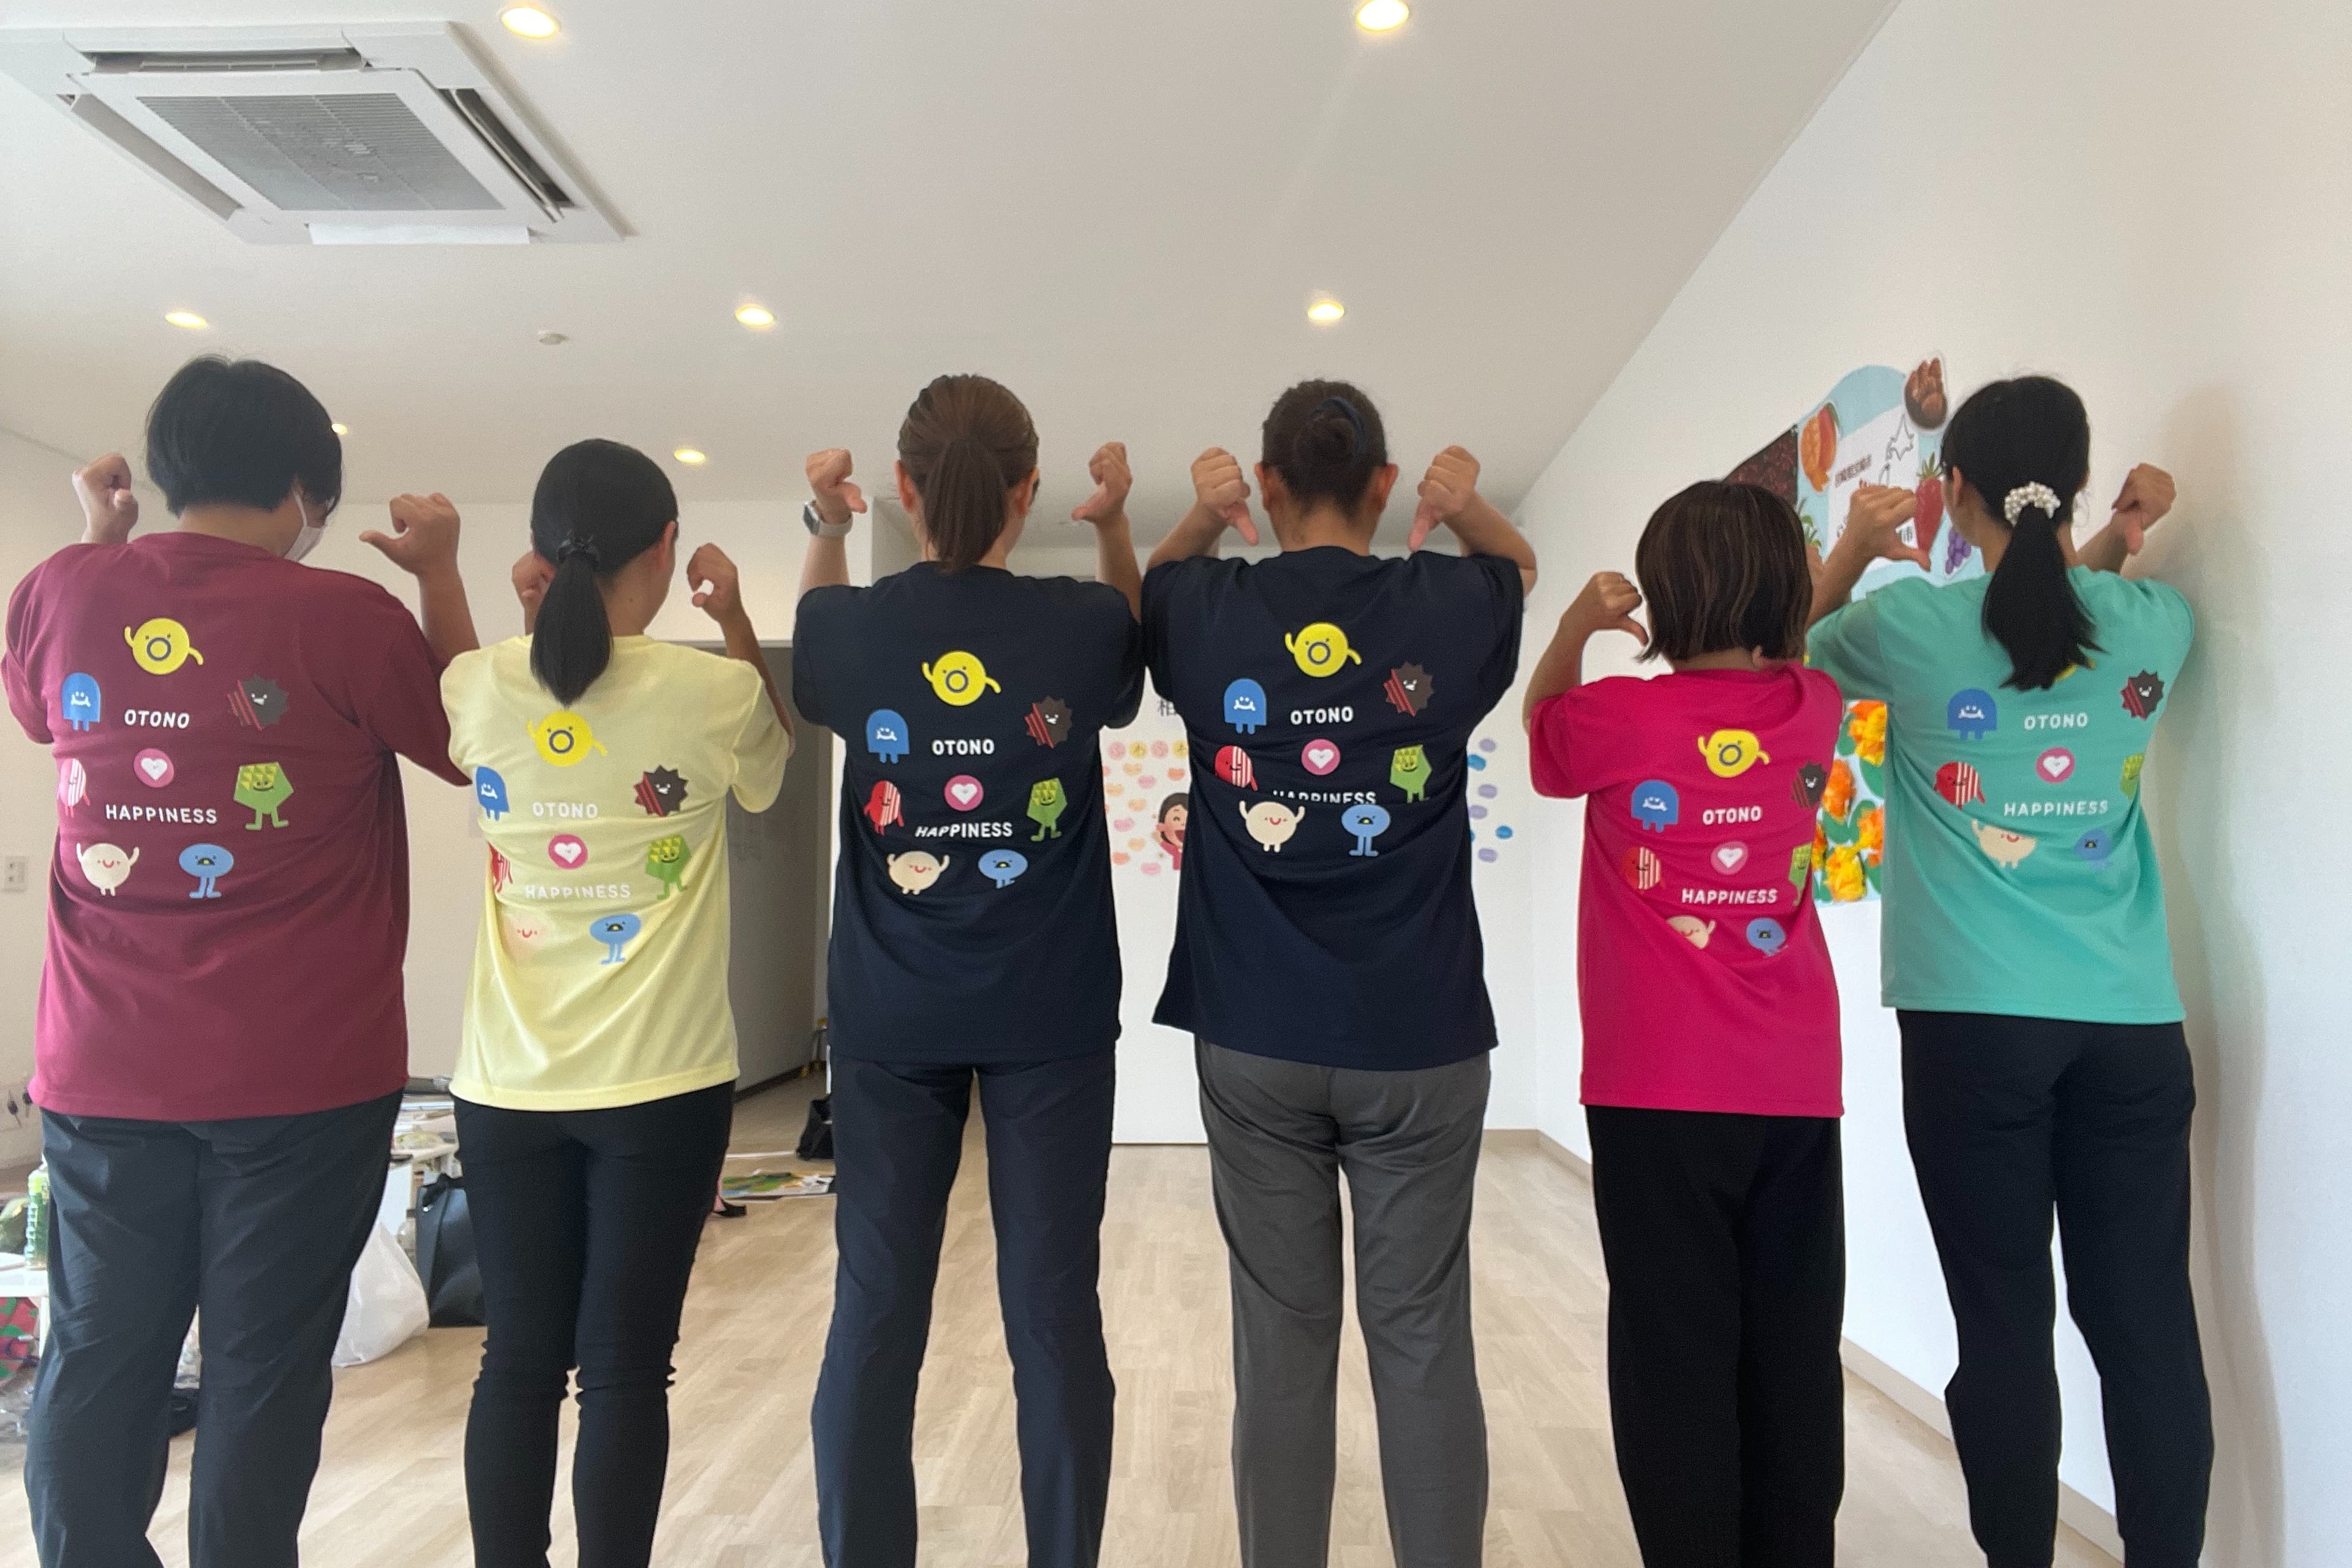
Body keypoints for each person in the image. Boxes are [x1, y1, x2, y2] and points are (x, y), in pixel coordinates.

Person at [2, 354, 477, 1567]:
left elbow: (45, 711)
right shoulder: (345, 616)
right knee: (265, 1365)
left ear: (168, 473)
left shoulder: (59, 588)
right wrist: (437, 574)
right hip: (303, 1075)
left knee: (100, 1348)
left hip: (104, 1068)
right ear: (308, 491)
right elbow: (473, 746)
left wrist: (100, 543)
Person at [1806, 375, 2208, 1568]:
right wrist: (2117, 542)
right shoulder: (2156, 623)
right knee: (2146, 1325)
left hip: (1972, 1028)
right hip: (2132, 1024)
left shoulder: (1908, 630)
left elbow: (1791, 661)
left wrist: (1848, 550)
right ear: (2075, 485)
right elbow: (2056, 625)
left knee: (2003, 1324)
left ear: (1952, 490)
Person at [1142, 381, 1535, 1568]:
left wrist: (1201, 517)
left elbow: (1154, 586)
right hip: (1422, 1038)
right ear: (1384, 484)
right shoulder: (1449, 600)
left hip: (1255, 1034)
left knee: (1281, 1343)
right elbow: (1516, 569)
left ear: (1266, 484)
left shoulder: (1208, 607)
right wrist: (1469, 510)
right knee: (1421, 1338)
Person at [793, 374, 1144, 1568]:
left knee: (875, 1311)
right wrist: (1112, 525)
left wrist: (826, 523)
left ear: (902, 486)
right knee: (1054, 1315)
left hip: (888, 1015)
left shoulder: (849, 628)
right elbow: (1127, 651)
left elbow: (817, 638)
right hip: (1053, 1012)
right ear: (1026, 490)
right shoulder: (1081, 624)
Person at [440, 438, 792, 1568]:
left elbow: (494, 707)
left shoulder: (477, 683)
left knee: (517, 1363)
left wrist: (487, 603)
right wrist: (736, 619)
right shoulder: (715, 692)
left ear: (539, 556)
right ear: (667, 546)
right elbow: (770, 770)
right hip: (664, 1086)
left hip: (506, 1087)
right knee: (626, 1370)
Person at [1524, 482, 1848, 1566]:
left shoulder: (1618, 718)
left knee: (1674, 1352)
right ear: (1786, 596)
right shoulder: (1813, 706)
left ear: (1662, 599)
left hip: (1653, 1090)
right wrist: (1837, 556)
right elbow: (1796, 641)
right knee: (1793, 1347)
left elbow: (1541, 732)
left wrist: (1575, 630)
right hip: (1794, 1084)